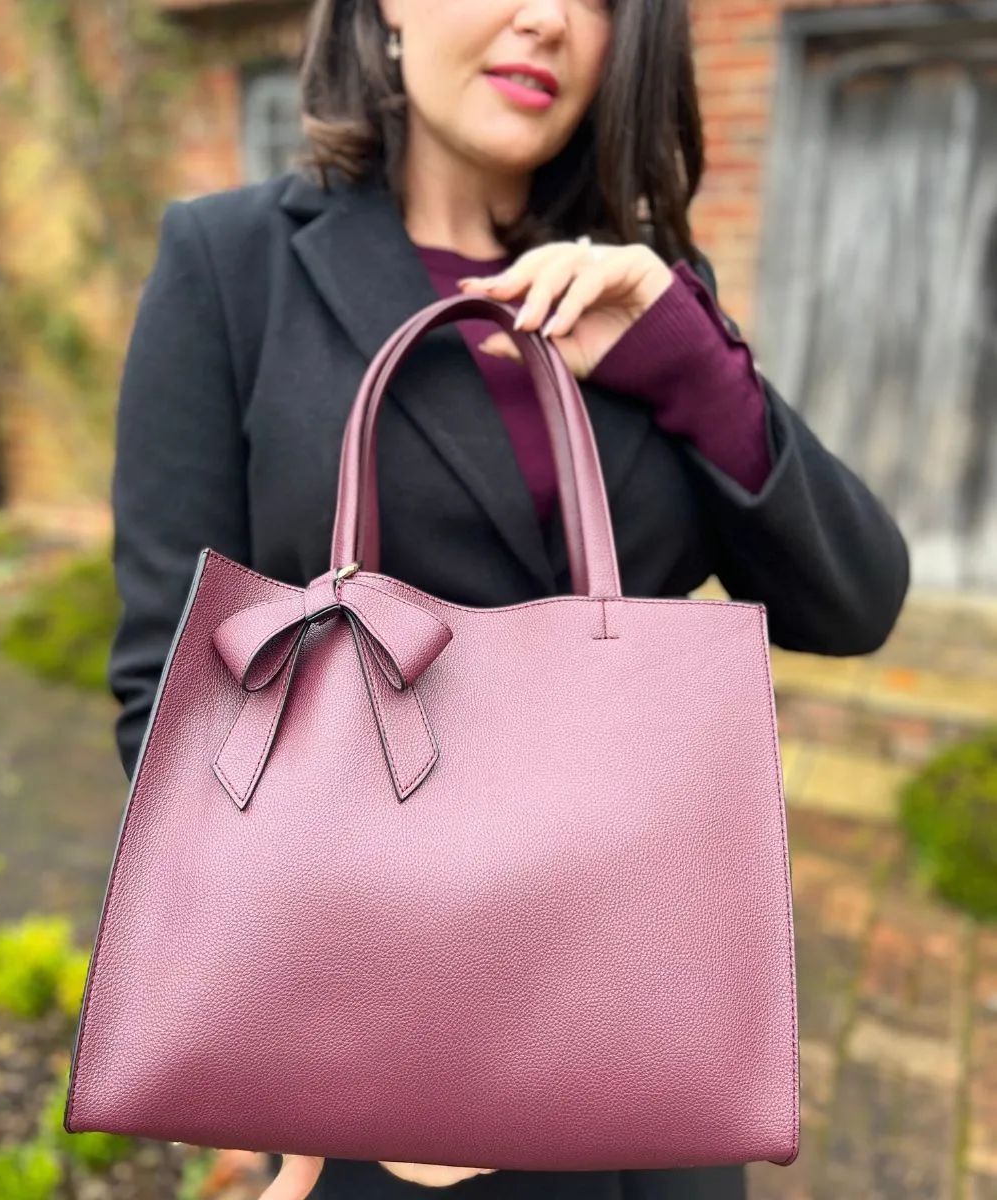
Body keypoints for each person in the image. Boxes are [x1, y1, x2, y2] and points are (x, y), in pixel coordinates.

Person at [107, 0, 911, 1196]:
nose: (544, 19)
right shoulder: (234, 265)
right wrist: (354, 1053)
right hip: (377, 1076)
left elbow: (852, 603)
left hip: (655, 1038)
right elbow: (169, 699)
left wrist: (685, 359)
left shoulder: (640, 286)